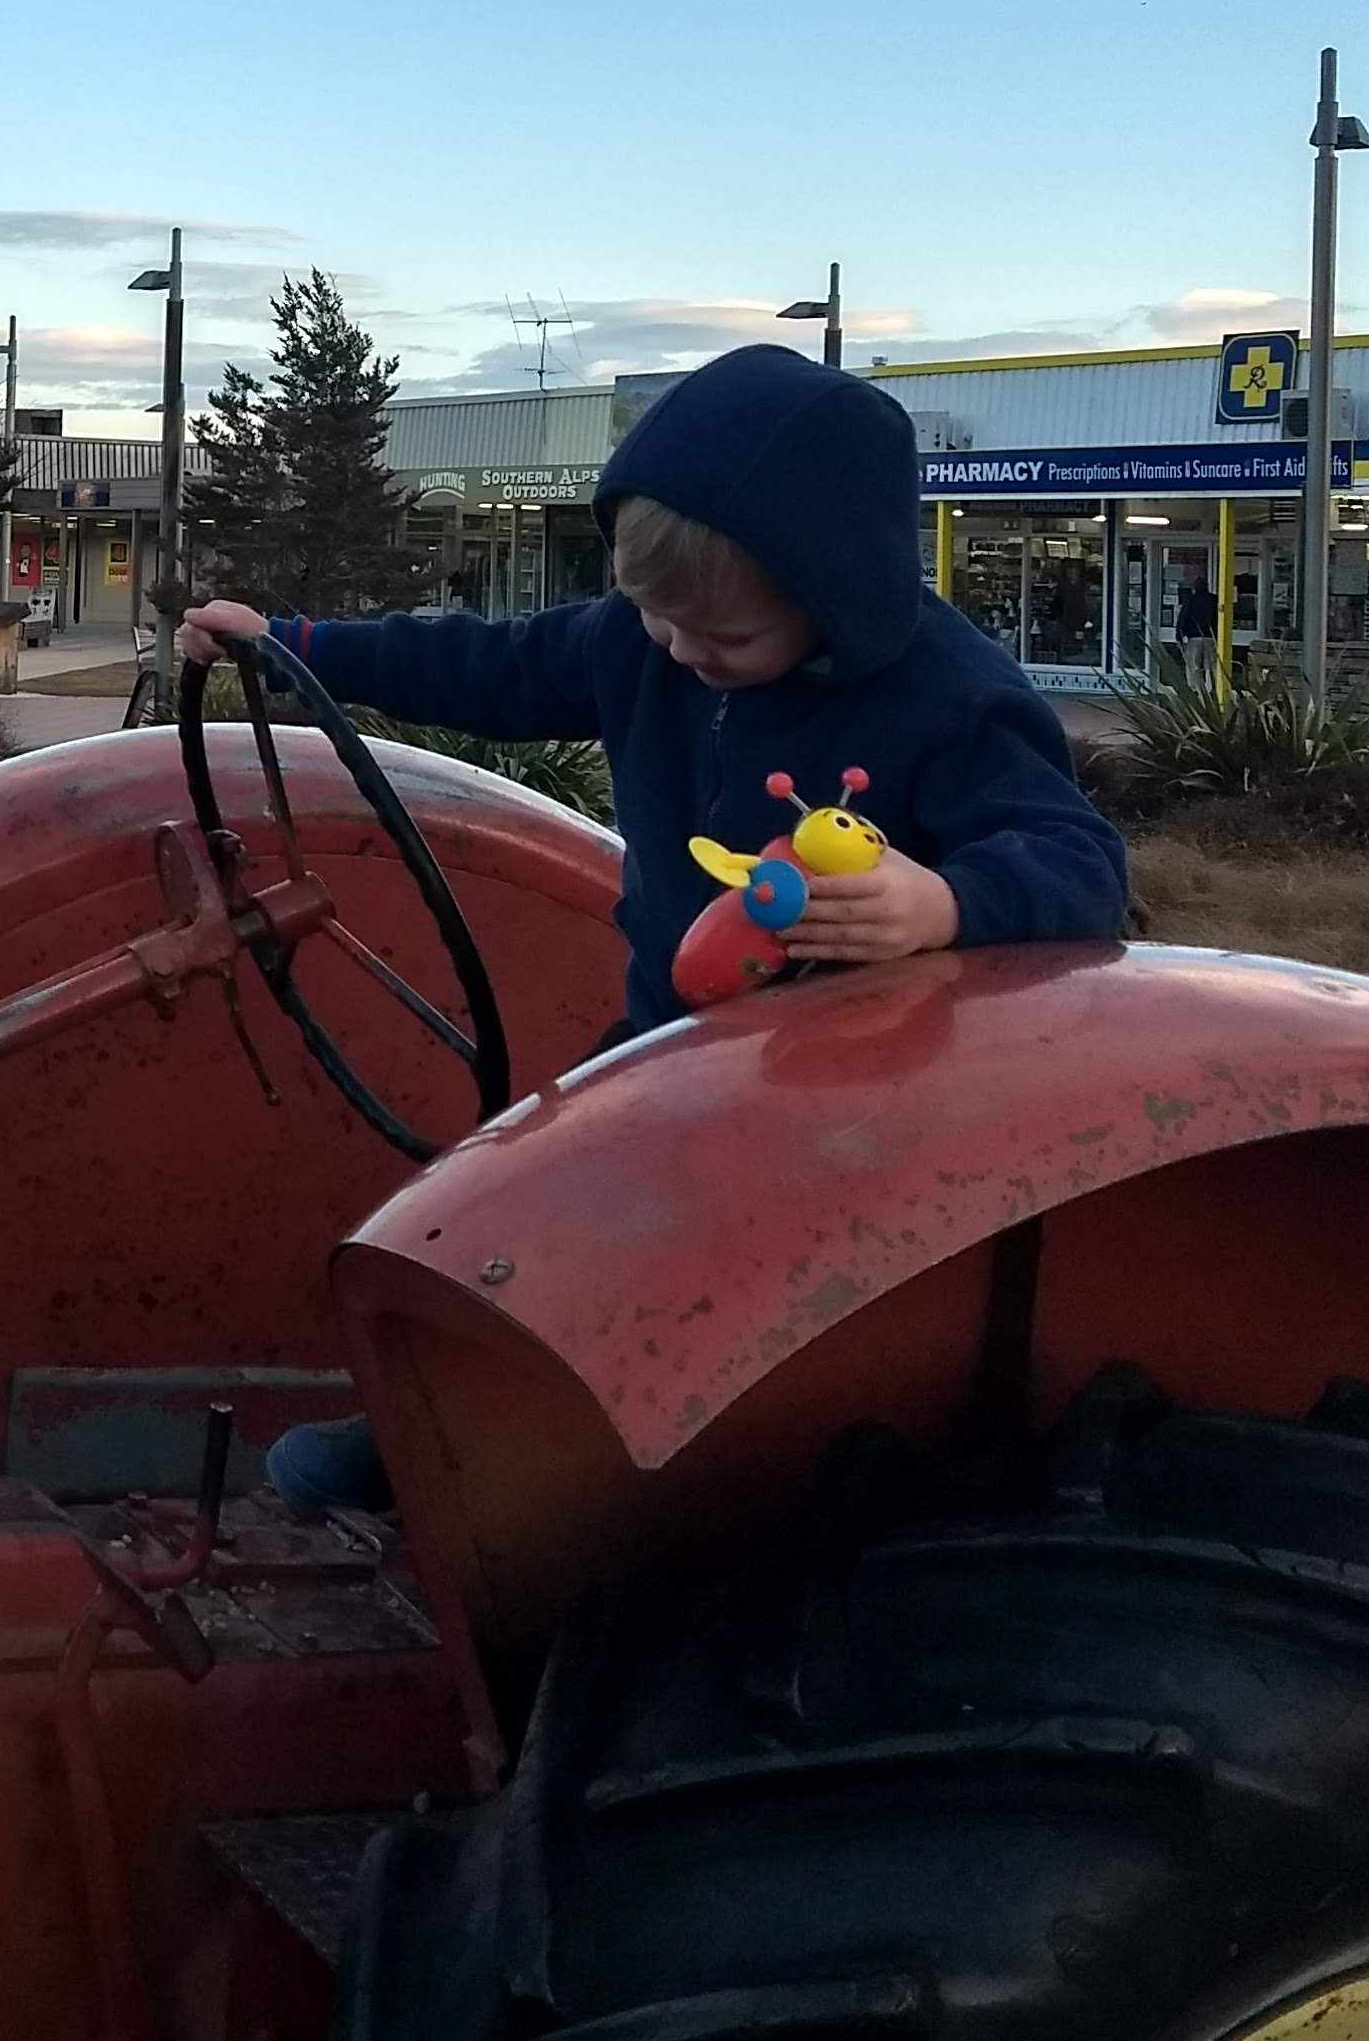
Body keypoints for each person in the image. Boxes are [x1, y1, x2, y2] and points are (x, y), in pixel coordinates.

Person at [179, 343, 1127, 1508]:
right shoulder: (645, 646)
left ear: (835, 599)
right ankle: (446, 1439)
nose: (684, 657)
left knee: (679, 1276)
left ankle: (623, 1470)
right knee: (509, 1207)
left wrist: (944, 902)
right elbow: (492, 665)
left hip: (853, 1100)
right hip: (668, 1041)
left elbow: (1080, 863)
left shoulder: (948, 697)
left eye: (723, 642)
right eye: (659, 622)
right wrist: (296, 648)